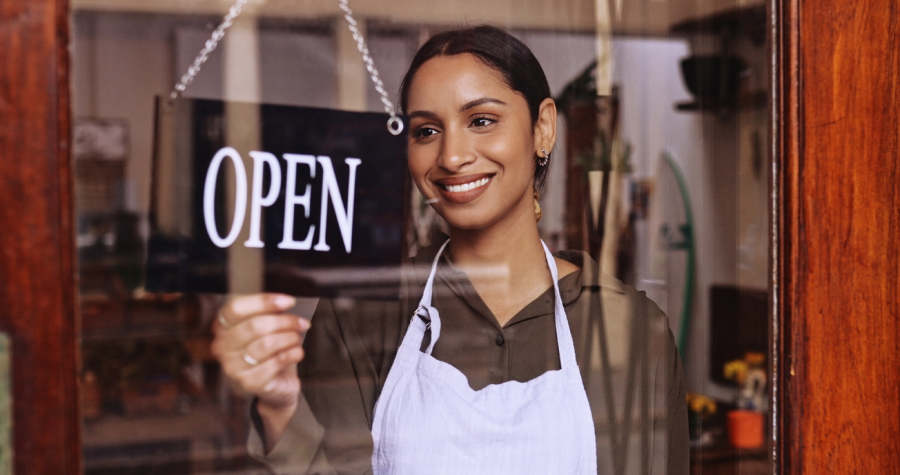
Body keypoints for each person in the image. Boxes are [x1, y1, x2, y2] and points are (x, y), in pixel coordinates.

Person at [212, 25, 688, 475]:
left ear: (542, 127)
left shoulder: (630, 329)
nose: (452, 157)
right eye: (426, 131)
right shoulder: (359, 313)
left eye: (481, 120)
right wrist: (279, 406)